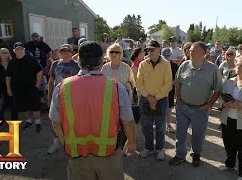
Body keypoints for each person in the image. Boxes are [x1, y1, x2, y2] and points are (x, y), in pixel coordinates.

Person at [49, 41, 136, 180]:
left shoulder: (61, 87)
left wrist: (66, 143)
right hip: (109, 156)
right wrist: (131, 142)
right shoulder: (116, 87)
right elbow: (128, 121)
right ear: (102, 61)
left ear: (78, 61)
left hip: (77, 156)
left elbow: (55, 122)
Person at [169, 42, 222, 167]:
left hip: (200, 108)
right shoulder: (184, 65)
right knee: (180, 133)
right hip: (183, 107)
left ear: (204, 54)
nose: (190, 52)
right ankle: (180, 155)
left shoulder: (212, 69)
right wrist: (179, 101)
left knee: (198, 134)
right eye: (190, 50)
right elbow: (177, 83)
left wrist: (210, 104)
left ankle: (196, 155)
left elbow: (218, 89)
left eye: (194, 51)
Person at [136, 40, 172, 161]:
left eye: (152, 49)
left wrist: (155, 98)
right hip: (146, 99)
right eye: (148, 50)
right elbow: (139, 84)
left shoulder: (166, 64)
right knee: (146, 126)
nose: (149, 52)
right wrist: (149, 97)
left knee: (160, 126)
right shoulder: (143, 64)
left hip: (160, 100)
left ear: (159, 49)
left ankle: (160, 149)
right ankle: (149, 148)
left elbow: (168, 85)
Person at [47, 44, 80, 154]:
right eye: (63, 51)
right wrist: (49, 96)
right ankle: (56, 143)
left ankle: (72, 143)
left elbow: (80, 83)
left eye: (68, 52)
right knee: (55, 120)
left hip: (72, 98)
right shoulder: (55, 64)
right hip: (57, 97)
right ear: (60, 53)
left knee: (71, 122)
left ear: (72, 53)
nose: (65, 54)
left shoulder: (76, 65)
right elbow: (51, 81)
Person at [6, 42, 43, 133]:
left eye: (21, 49)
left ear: (24, 50)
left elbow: (39, 71)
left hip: (31, 88)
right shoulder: (12, 62)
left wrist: (37, 84)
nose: (19, 51)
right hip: (17, 89)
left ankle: (38, 123)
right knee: (22, 107)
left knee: (35, 106)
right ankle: (28, 121)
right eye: (17, 49)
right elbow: (8, 76)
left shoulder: (31, 59)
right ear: (14, 51)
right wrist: (8, 89)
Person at [0, 48, 18, 125]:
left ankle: (14, 122)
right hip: (1, 88)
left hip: (12, 87)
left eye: (6, 53)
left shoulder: (13, 63)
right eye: (2, 53)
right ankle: (0, 122)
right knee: (1, 106)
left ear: (9, 54)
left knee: (14, 106)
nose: (4, 54)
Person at [161, 48, 178, 133]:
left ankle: (168, 124)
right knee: (159, 106)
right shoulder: (159, 64)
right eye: (165, 56)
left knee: (169, 107)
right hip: (159, 90)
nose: (167, 58)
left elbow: (176, 79)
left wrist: (169, 84)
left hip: (170, 90)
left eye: (168, 56)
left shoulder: (174, 66)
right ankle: (159, 124)